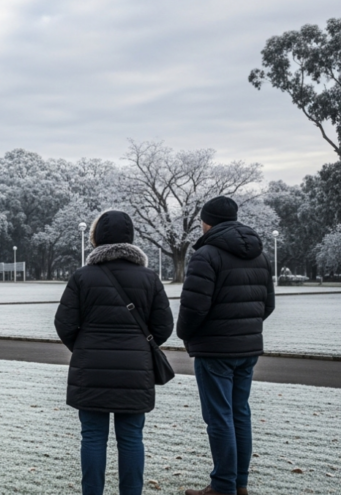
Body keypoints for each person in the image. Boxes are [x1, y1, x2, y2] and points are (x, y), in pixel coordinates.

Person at [55, 210, 174, 495]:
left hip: (91, 366)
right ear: (130, 239)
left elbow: (64, 323)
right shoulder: (149, 278)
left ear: (97, 238)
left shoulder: (82, 277)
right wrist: (138, 345)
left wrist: (84, 347)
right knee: (132, 438)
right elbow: (164, 326)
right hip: (136, 367)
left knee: (93, 438)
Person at [178, 197, 275, 495]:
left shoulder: (207, 254)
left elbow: (194, 308)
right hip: (247, 348)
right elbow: (267, 304)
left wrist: (185, 334)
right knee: (239, 414)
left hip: (214, 349)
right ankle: (239, 483)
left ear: (207, 221)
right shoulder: (259, 254)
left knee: (219, 416)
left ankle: (222, 486)